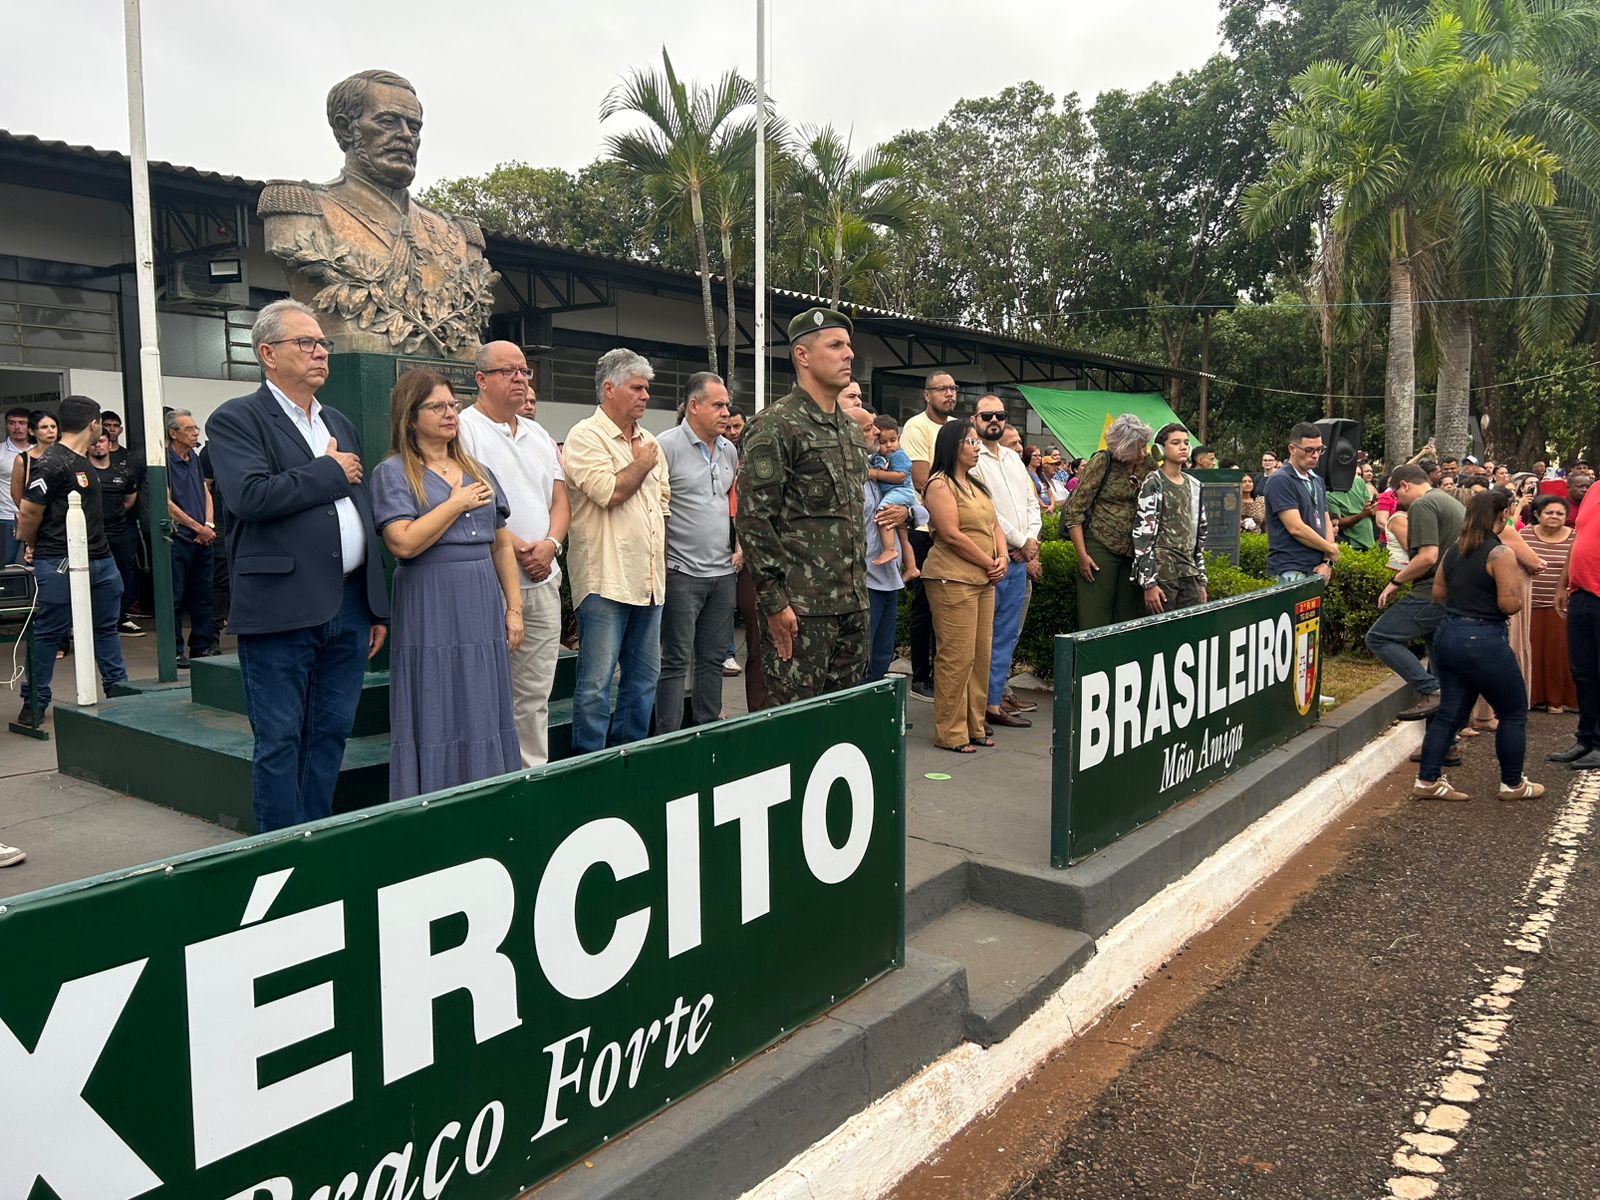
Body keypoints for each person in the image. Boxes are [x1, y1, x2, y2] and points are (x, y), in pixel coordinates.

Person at [204, 299, 390, 833]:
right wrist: (328, 470)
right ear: (267, 354)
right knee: (281, 737)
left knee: (331, 731)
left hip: (349, 605)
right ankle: (281, 848)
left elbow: (359, 510)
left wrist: (374, 602)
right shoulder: (237, 419)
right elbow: (249, 497)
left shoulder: (338, 421)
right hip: (281, 606)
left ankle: (316, 835)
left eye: (323, 343)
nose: (319, 352)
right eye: (305, 343)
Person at [258, 69, 493, 359]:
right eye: (387, 122)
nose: (406, 135)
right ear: (346, 128)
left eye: (414, 127)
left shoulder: (458, 234)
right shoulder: (300, 210)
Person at [372, 371, 521, 800]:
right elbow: (402, 542)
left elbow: (501, 545)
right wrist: (456, 503)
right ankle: (434, 795)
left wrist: (514, 609)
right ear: (410, 415)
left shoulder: (478, 469)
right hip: (428, 597)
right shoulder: (394, 471)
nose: (450, 413)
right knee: (435, 693)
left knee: (483, 694)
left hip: (480, 595)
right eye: (437, 406)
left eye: (453, 405)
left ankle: (487, 791)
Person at [736, 308, 870, 706]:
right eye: (835, 345)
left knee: (841, 729)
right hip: (802, 611)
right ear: (803, 355)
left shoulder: (849, 430)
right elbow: (755, 520)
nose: (848, 354)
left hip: (852, 604)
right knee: (793, 727)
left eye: (848, 346)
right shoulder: (776, 426)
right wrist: (774, 602)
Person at [457, 341, 569, 766]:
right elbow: (471, 500)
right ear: (481, 380)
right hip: (492, 580)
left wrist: (551, 545)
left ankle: (530, 776)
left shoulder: (539, 434)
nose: (521, 379)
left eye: (525, 372)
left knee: (535, 692)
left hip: (543, 578)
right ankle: (490, 779)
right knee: (486, 690)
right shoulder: (465, 431)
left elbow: (560, 501)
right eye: (510, 371)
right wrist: (519, 547)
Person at [563, 348, 670, 751]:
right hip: (605, 581)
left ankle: (629, 758)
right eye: (637, 387)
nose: (645, 396)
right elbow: (608, 492)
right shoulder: (584, 436)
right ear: (609, 389)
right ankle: (588, 766)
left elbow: (663, 509)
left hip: (648, 582)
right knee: (595, 684)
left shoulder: (649, 441)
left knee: (644, 680)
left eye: (647, 388)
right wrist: (640, 464)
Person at [1413, 489, 1545, 801]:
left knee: (1449, 712)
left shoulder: (1455, 549)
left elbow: (1437, 593)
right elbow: (1509, 604)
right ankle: (1512, 784)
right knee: (1513, 713)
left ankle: (1427, 781)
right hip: (1484, 638)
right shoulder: (1500, 554)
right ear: (1502, 515)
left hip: (1449, 634)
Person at [14, 395, 130, 728]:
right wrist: (34, 546)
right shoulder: (54, 462)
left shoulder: (79, 459)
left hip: (100, 558)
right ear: (94, 424)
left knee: (106, 629)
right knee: (50, 631)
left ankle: (118, 690)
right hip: (59, 561)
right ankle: (33, 701)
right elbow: (29, 511)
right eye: (101, 424)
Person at [655, 371, 739, 732]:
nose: (726, 412)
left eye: (727, 405)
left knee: (712, 658)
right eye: (717, 405)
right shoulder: (666, 445)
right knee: (674, 661)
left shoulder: (729, 450)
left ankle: (706, 728)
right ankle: (668, 737)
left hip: (722, 574)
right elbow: (657, 510)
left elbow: (732, 505)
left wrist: (740, 545)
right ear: (693, 406)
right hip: (681, 573)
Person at [922, 420, 1005, 751]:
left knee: (980, 655)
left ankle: (975, 724)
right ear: (952, 446)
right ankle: (951, 732)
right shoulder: (940, 485)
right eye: (970, 441)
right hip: (952, 578)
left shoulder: (977, 484)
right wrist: (988, 562)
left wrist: (1001, 557)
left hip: (984, 580)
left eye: (976, 442)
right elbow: (952, 535)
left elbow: (994, 523)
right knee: (956, 656)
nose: (977, 447)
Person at [1367, 464, 1463, 721]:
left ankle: (1430, 689)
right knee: (1438, 660)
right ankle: (1445, 744)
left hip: (1431, 592)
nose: (1399, 503)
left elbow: (1427, 557)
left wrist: (1395, 581)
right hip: (1454, 593)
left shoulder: (1423, 505)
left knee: (1378, 637)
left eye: (1397, 496)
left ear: (1404, 485)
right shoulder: (1449, 502)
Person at [969, 394, 1041, 729]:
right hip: (991, 561)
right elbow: (989, 511)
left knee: (1006, 636)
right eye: (987, 415)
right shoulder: (972, 458)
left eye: (1000, 415)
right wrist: (1020, 541)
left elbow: (1031, 502)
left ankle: (994, 702)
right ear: (975, 419)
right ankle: (976, 706)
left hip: (1016, 561)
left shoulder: (1013, 460)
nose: (994, 420)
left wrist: (1031, 540)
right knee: (981, 637)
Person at [1063, 414, 1155, 630]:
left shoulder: (1148, 464)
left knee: (1130, 618)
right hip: (1101, 545)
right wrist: (1082, 556)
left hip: (1136, 550)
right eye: (1137, 449)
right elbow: (1075, 510)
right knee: (1095, 617)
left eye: (1144, 447)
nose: (1143, 453)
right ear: (1123, 448)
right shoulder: (1103, 461)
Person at [900, 370, 958, 702]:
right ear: (927, 395)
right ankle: (921, 675)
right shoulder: (917, 427)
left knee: (947, 606)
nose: (949, 394)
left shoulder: (956, 427)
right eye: (942, 389)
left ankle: (943, 674)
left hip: (952, 526)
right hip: (925, 528)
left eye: (952, 388)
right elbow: (921, 479)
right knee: (924, 605)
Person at [862, 419, 923, 683]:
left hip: (889, 580)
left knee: (882, 655)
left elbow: (921, 512)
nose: (877, 437)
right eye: (870, 431)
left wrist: (906, 513)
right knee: (862, 657)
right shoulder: (856, 474)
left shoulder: (888, 467)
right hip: (865, 580)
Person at [1132, 423, 1208, 613]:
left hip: (1189, 572)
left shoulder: (1195, 485)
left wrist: (1202, 580)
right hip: (1162, 573)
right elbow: (1142, 536)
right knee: (1164, 635)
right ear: (1160, 449)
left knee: (1193, 633)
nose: (1183, 447)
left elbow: (1198, 538)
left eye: (1186, 442)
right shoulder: (1153, 482)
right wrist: (1148, 583)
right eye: (1175, 442)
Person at [163, 408, 218, 667]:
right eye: (189, 429)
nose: (196, 432)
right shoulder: (163, 461)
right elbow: (167, 504)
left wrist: (207, 524)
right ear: (173, 434)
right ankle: (174, 651)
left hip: (202, 536)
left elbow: (205, 492)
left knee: (203, 594)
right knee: (174, 597)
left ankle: (202, 646)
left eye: (196, 428)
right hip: (180, 538)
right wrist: (197, 528)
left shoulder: (194, 457)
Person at [1522, 494, 1577, 714]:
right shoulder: (1524, 535)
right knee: (1531, 653)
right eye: (1549, 512)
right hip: (1529, 605)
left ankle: (1556, 700)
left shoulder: (1575, 538)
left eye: (1560, 513)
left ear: (1566, 517)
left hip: (1561, 609)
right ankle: (1532, 698)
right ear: (1537, 514)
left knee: (1558, 656)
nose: (1554, 517)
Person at [1263, 422, 1337, 582]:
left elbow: (1326, 521)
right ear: (1292, 449)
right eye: (1309, 450)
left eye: (1319, 450)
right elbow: (1296, 528)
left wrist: (1327, 561)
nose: (1316, 455)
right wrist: (1331, 548)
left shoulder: (1317, 480)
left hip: (1318, 567)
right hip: (1290, 567)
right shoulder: (1281, 480)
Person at [87, 429, 144, 636]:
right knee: (89, 578)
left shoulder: (123, 472)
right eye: (93, 442)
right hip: (91, 535)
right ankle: (87, 623)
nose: (98, 445)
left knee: (121, 577)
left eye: (101, 441)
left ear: (109, 444)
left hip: (119, 532)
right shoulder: (83, 472)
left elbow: (129, 500)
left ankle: (120, 619)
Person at [865, 414, 920, 577]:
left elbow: (900, 477)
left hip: (901, 492)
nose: (889, 446)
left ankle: (889, 549)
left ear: (899, 438)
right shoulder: (877, 457)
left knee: (883, 512)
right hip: (894, 493)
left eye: (893, 440)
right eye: (883, 442)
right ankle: (911, 568)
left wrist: (876, 473)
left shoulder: (898, 455)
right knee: (903, 536)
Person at [8, 411, 58, 555]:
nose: (50, 431)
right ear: (32, 431)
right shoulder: (24, 459)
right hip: (36, 521)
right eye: (44, 427)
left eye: (53, 426)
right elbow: (16, 494)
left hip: (62, 520)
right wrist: (31, 514)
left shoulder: (67, 456)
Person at [2, 405, 30, 564]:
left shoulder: (40, 451)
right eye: (12, 423)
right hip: (6, 517)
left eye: (22, 422)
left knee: (37, 564)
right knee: (5, 565)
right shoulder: (0, 452)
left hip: (36, 516)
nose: (17, 427)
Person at [1327, 465, 1378, 551]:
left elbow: (1367, 505)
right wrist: (1363, 515)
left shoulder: (1359, 482)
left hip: (1369, 540)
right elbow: (1338, 523)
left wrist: (1371, 506)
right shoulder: (1328, 495)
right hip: (1352, 542)